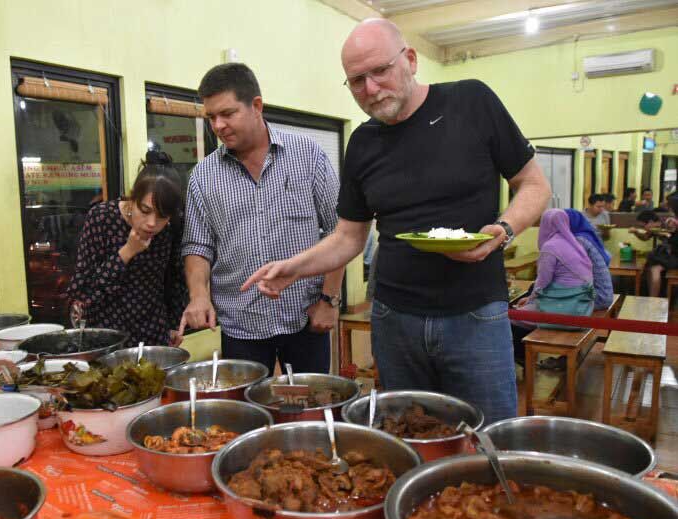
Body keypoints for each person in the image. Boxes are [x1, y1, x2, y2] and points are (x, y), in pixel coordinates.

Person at [242, 19, 551, 424]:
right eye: (356, 81)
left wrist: (504, 230)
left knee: (488, 438)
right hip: (394, 318)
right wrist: (293, 269)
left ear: (409, 59)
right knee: (408, 436)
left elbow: (534, 185)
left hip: (474, 313)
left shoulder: (471, 102)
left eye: (380, 71)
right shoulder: (363, 143)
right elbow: (349, 236)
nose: (370, 89)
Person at [178, 63, 342, 374]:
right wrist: (199, 296)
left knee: (310, 412)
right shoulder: (202, 177)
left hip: (305, 317)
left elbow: (339, 233)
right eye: (211, 117)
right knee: (246, 418)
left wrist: (329, 300)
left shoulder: (307, 156)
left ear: (256, 106)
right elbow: (197, 245)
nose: (218, 125)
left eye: (227, 113)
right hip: (241, 327)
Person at [67, 151, 187, 348]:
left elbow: (175, 279)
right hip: (105, 335)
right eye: (145, 211)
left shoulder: (172, 226)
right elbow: (84, 293)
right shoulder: (102, 217)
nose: (151, 224)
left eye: (162, 216)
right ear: (133, 198)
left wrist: (174, 324)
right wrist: (127, 252)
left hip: (153, 332)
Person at [512, 209, 603, 370]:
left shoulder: (550, 247)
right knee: (523, 308)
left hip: (562, 310)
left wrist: (531, 299)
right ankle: (526, 355)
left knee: (511, 317)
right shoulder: (574, 243)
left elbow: (542, 282)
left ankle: (523, 357)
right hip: (582, 307)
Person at [564, 209, 613, 310]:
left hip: (597, 297)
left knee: (551, 302)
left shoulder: (578, 240)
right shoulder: (587, 235)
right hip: (603, 293)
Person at [643, 193, 678, 296]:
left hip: (675, 255)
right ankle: (652, 298)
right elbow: (669, 232)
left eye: (670, 206)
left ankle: (653, 301)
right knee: (651, 262)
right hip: (673, 253)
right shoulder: (673, 219)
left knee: (654, 268)